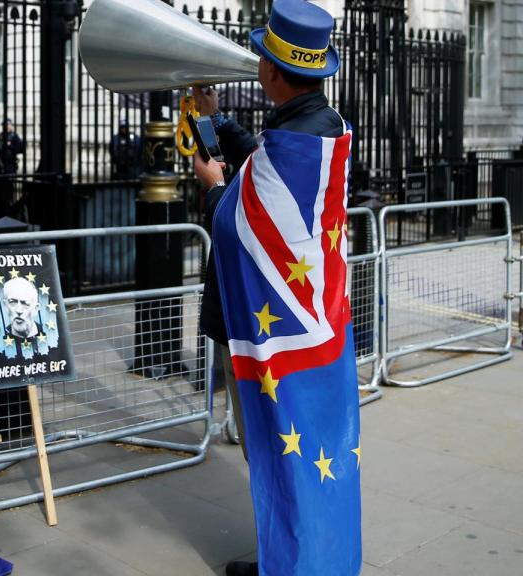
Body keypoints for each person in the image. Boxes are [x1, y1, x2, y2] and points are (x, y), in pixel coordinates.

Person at [191, 1, 361, 575]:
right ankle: (318, 557)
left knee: (275, 447)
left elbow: (244, 228)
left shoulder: (290, 144)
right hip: (322, 327)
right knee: (321, 453)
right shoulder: (326, 129)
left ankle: (287, 566)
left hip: (278, 341)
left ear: (269, 71)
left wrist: (215, 188)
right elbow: (269, 173)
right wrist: (216, 122)